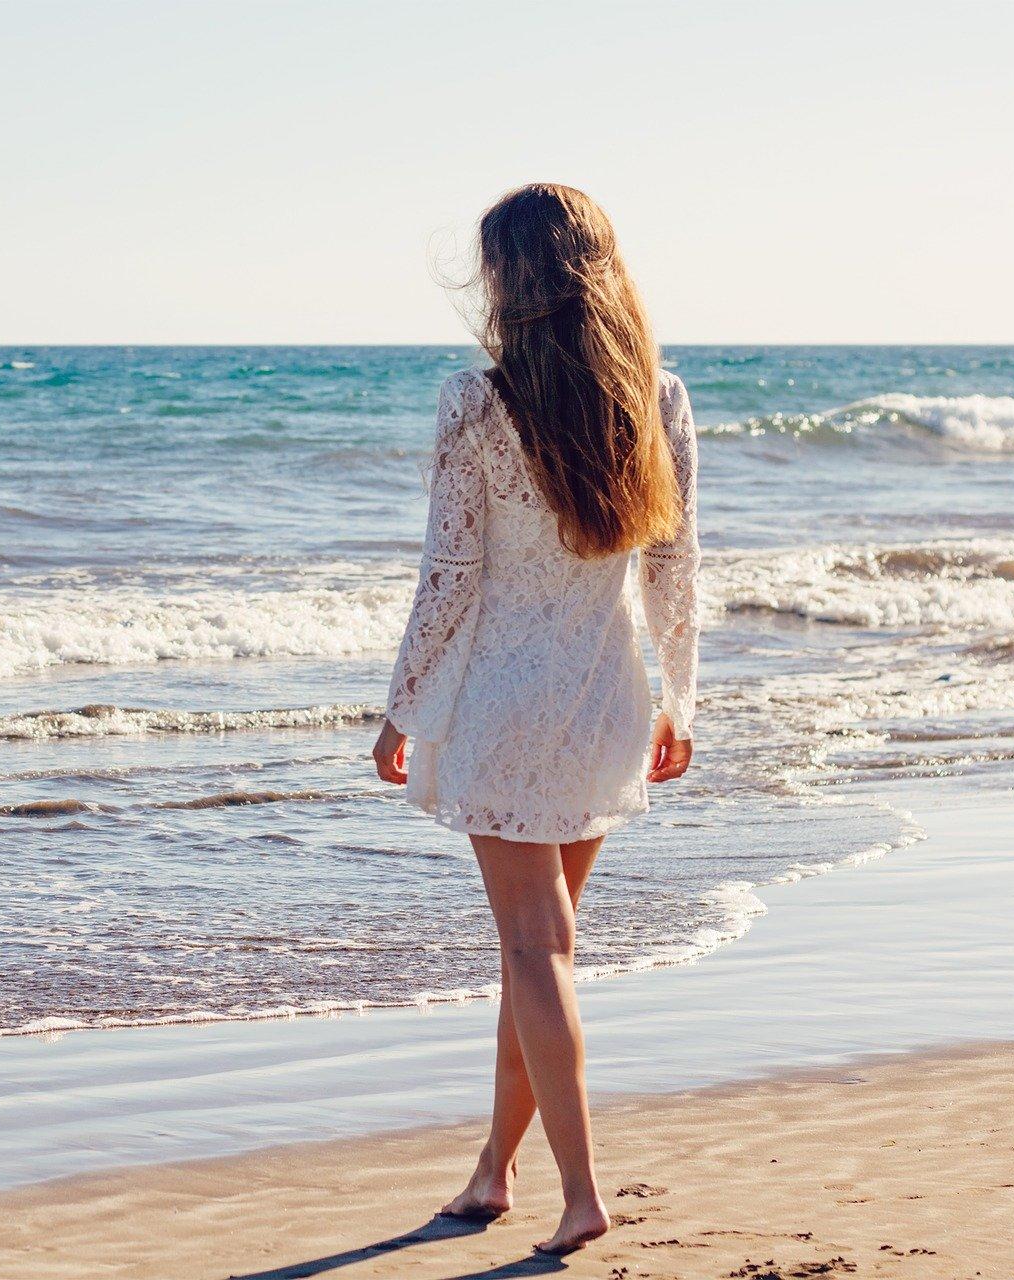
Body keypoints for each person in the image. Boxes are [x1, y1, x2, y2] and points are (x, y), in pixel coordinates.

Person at [371, 182, 700, 1256]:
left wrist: (400, 706)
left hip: (504, 706)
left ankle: (582, 1192)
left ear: (513, 277)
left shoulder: (475, 403)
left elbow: (449, 575)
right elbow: (674, 568)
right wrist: (679, 696)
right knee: (541, 954)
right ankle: (493, 1169)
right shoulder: (658, 398)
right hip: (606, 699)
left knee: (534, 948)